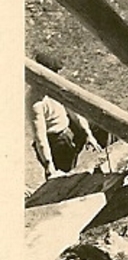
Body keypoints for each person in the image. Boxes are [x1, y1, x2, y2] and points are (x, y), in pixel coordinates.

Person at [28, 51, 102, 180]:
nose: (57, 76)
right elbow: (41, 138)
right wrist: (49, 166)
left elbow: (74, 112)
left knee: (103, 126)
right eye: (53, 72)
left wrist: (88, 135)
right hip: (56, 141)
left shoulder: (56, 86)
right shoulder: (35, 101)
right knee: (64, 175)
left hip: (69, 129)